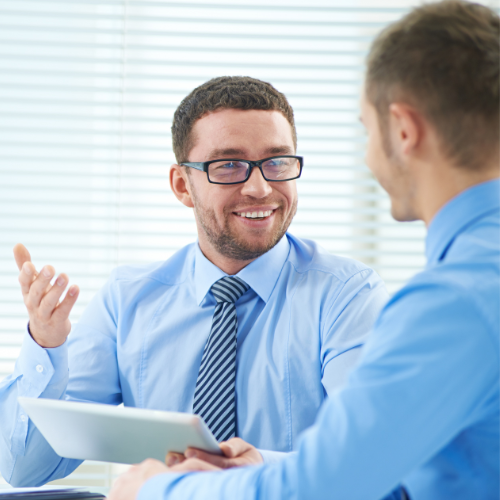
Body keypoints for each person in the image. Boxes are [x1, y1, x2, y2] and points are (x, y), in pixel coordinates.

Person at [107, 1, 500, 499]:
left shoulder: (453, 300)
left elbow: (334, 483)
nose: (368, 155)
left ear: (403, 130)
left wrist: (159, 490)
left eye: (366, 129)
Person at [0, 77, 389, 486]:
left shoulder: (348, 295)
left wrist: (252, 469)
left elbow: (374, 455)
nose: (260, 188)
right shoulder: (127, 300)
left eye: (277, 162)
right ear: (182, 185)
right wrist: (46, 344)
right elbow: (25, 468)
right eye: (229, 165)